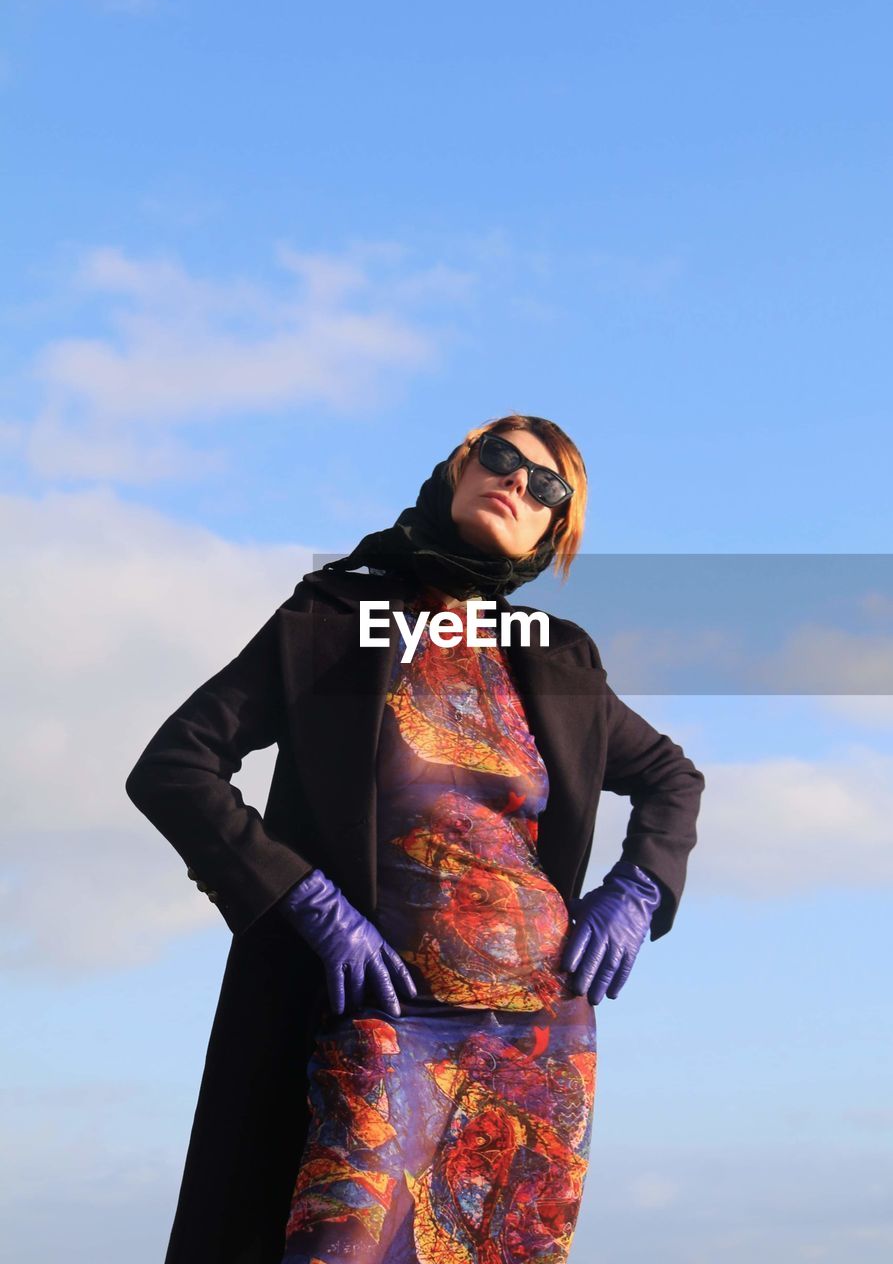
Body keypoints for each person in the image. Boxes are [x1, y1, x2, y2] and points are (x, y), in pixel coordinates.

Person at [125, 414, 706, 1264]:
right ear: (457, 468)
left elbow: (671, 778)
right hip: (380, 1015)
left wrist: (636, 891)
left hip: (538, 1035)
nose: (518, 482)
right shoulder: (331, 620)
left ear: (556, 529)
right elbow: (176, 767)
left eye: (548, 485)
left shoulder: (553, 656)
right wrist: (305, 900)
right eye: (501, 458)